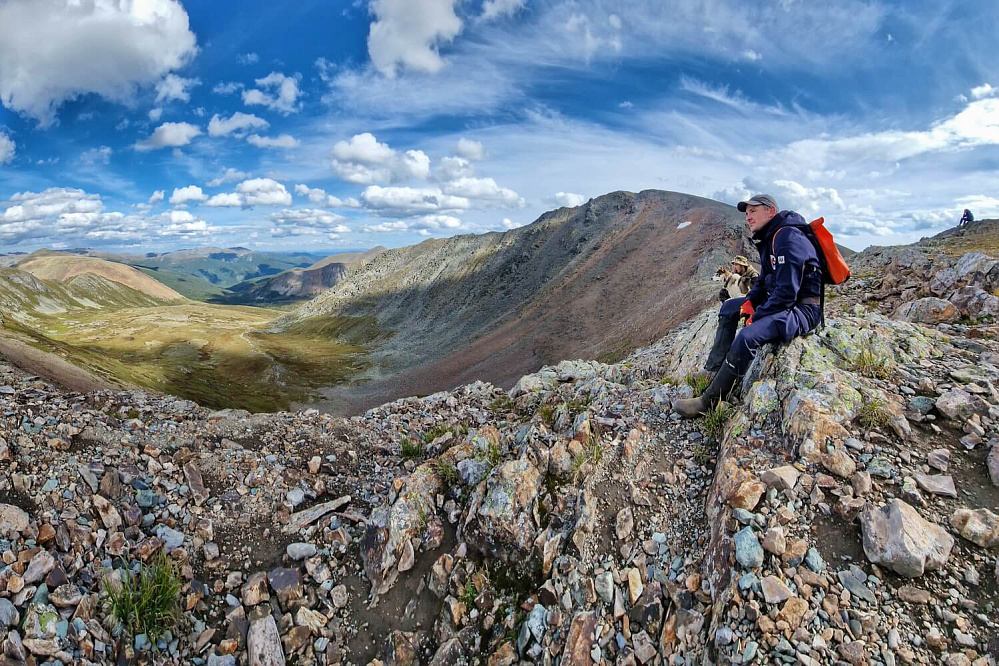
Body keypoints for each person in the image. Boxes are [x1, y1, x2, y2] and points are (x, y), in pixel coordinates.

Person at [675, 194, 823, 418]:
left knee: (747, 336)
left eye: (753, 211)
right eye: (747, 214)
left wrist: (759, 314)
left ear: (770, 211)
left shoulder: (788, 237)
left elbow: (787, 292)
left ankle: (709, 402)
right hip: (783, 302)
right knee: (728, 308)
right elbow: (764, 280)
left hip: (802, 310)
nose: (748, 218)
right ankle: (714, 371)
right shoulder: (770, 237)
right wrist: (750, 302)